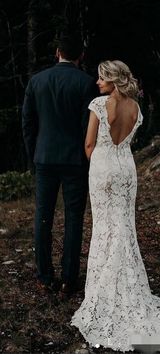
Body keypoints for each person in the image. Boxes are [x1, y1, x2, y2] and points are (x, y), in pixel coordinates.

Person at [71, 60, 160, 351]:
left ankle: (104, 294)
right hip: (126, 169)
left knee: (104, 229)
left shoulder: (99, 104)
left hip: (102, 168)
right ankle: (128, 286)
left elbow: (89, 145)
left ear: (114, 80)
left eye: (102, 78)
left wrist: (99, 166)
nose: (98, 82)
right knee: (124, 229)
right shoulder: (136, 108)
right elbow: (126, 142)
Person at [22, 34, 96, 295]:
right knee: (73, 219)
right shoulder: (87, 84)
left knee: (43, 217)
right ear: (81, 56)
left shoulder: (37, 81)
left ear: (57, 52)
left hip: (44, 159)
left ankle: (44, 276)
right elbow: (89, 127)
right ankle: (68, 279)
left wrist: (36, 155)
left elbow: (28, 125)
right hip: (75, 160)